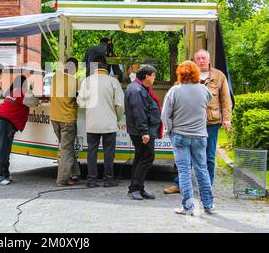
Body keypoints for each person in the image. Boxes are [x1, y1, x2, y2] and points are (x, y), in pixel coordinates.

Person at [163, 49, 232, 194]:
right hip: (189, 124)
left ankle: (207, 186)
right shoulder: (185, 77)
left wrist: (227, 119)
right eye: (198, 58)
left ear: (208, 60)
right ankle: (180, 185)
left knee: (209, 157)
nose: (201, 61)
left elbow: (226, 100)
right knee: (184, 158)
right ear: (195, 61)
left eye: (203, 58)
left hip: (211, 123)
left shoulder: (219, 76)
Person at [161, 60, 215, 215]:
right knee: (202, 169)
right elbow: (208, 100)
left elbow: (165, 115)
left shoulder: (174, 91)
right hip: (200, 136)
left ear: (180, 73)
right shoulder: (204, 90)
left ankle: (188, 207)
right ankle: (209, 204)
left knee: (184, 171)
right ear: (196, 73)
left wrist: (171, 129)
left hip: (180, 136)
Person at [77, 55, 124, 188]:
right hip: (109, 123)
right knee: (109, 153)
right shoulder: (113, 82)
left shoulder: (87, 81)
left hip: (92, 123)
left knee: (92, 152)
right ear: (106, 66)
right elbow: (120, 105)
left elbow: (80, 102)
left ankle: (92, 180)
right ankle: (108, 179)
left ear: (95, 67)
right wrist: (117, 118)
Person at [0, 75, 39, 185]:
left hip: (1, 120)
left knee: (5, 150)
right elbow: (34, 101)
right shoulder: (21, 92)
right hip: (4, 122)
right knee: (1, 150)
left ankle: (5, 174)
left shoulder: (12, 91)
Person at [124, 65, 161, 200]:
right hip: (142, 132)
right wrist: (144, 132)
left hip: (142, 130)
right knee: (147, 157)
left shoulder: (139, 88)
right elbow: (138, 113)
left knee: (141, 157)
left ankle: (138, 188)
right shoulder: (136, 90)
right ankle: (135, 188)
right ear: (147, 76)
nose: (154, 78)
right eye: (153, 76)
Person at [50, 57, 81, 187]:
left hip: (54, 118)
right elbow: (80, 100)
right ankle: (62, 179)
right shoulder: (75, 81)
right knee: (67, 149)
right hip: (68, 119)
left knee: (66, 147)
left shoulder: (55, 78)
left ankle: (75, 173)